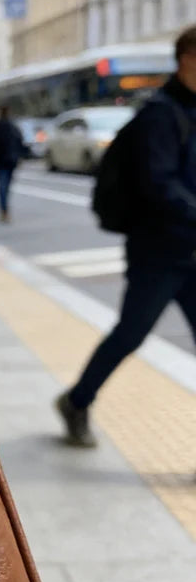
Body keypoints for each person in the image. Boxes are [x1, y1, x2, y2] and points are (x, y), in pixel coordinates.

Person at [56, 26, 196, 447]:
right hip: (160, 253)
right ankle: (77, 401)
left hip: (190, 249)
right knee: (130, 334)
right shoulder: (161, 115)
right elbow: (159, 184)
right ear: (187, 59)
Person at [0, 106, 25, 223]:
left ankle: (4, 209)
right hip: (11, 161)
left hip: (0, 161)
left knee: (2, 186)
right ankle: (4, 209)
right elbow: (20, 144)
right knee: (6, 186)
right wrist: (20, 157)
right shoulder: (14, 128)